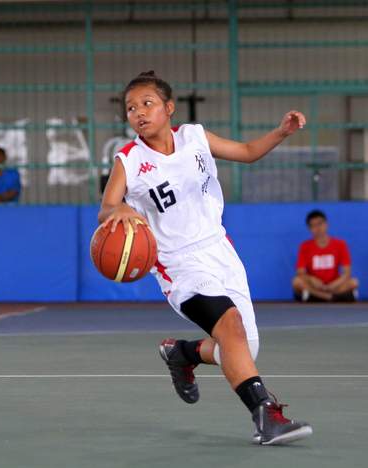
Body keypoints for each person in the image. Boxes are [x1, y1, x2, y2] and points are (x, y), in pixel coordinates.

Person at [99, 70, 312, 445]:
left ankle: (183, 354)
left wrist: (281, 132)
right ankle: (266, 417)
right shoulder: (129, 160)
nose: (139, 113)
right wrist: (120, 212)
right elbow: (107, 207)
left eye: (147, 104)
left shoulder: (194, 136)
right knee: (230, 326)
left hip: (219, 250)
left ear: (168, 108)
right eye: (131, 108)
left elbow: (246, 153)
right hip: (177, 264)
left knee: (244, 347)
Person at [293, 209, 359, 302]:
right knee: (296, 282)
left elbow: (347, 273)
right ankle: (329, 297)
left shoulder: (340, 244)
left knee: (354, 282)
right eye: (313, 226)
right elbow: (300, 272)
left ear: (326, 224)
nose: (318, 228)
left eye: (320, 224)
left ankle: (315, 296)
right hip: (315, 285)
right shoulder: (305, 246)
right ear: (309, 229)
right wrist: (311, 279)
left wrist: (334, 285)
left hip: (334, 285)